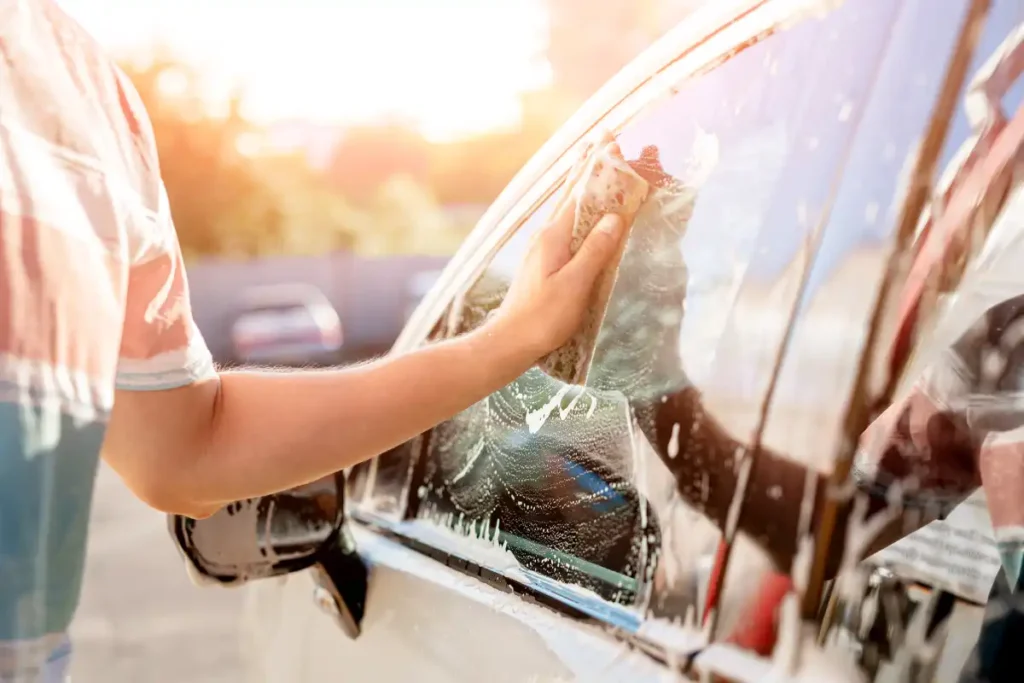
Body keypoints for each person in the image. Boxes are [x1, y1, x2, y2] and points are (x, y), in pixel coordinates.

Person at [0, 2, 630, 680]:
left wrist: (510, 340)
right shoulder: (77, 86)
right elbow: (185, 453)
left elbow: (187, 446)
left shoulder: (81, 90)